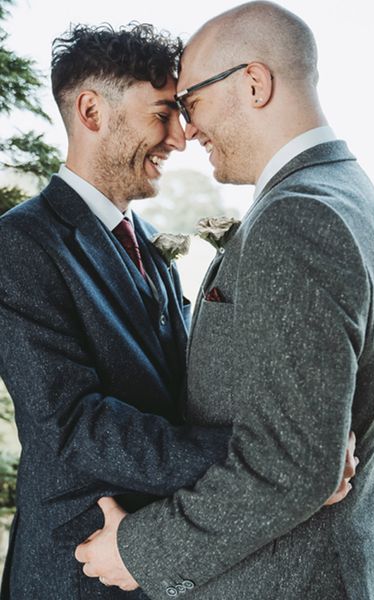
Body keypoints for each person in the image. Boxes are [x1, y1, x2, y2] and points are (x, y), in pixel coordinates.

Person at [76, 2, 374, 599]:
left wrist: (140, 551)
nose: (187, 129)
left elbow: (295, 465)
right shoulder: (349, 193)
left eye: (192, 101)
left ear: (254, 83)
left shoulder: (298, 216)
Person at [0, 23, 238, 600]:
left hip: (157, 558)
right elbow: (73, 427)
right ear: (90, 110)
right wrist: (254, 457)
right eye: (162, 113)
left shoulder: (149, 242)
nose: (180, 138)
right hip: (74, 572)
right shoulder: (20, 245)